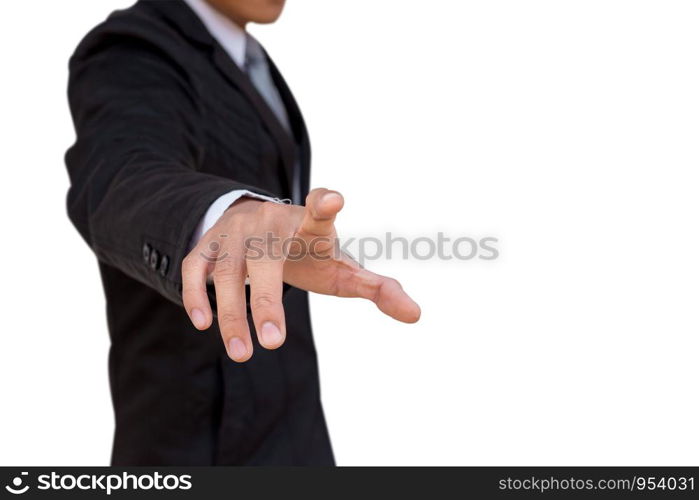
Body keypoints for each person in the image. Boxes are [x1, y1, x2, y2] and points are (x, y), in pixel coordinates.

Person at [65, 0, 420, 465]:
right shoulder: (132, 49)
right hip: (198, 439)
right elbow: (121, 177)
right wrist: (227, 214)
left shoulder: (247, 55)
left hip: (292, 425)